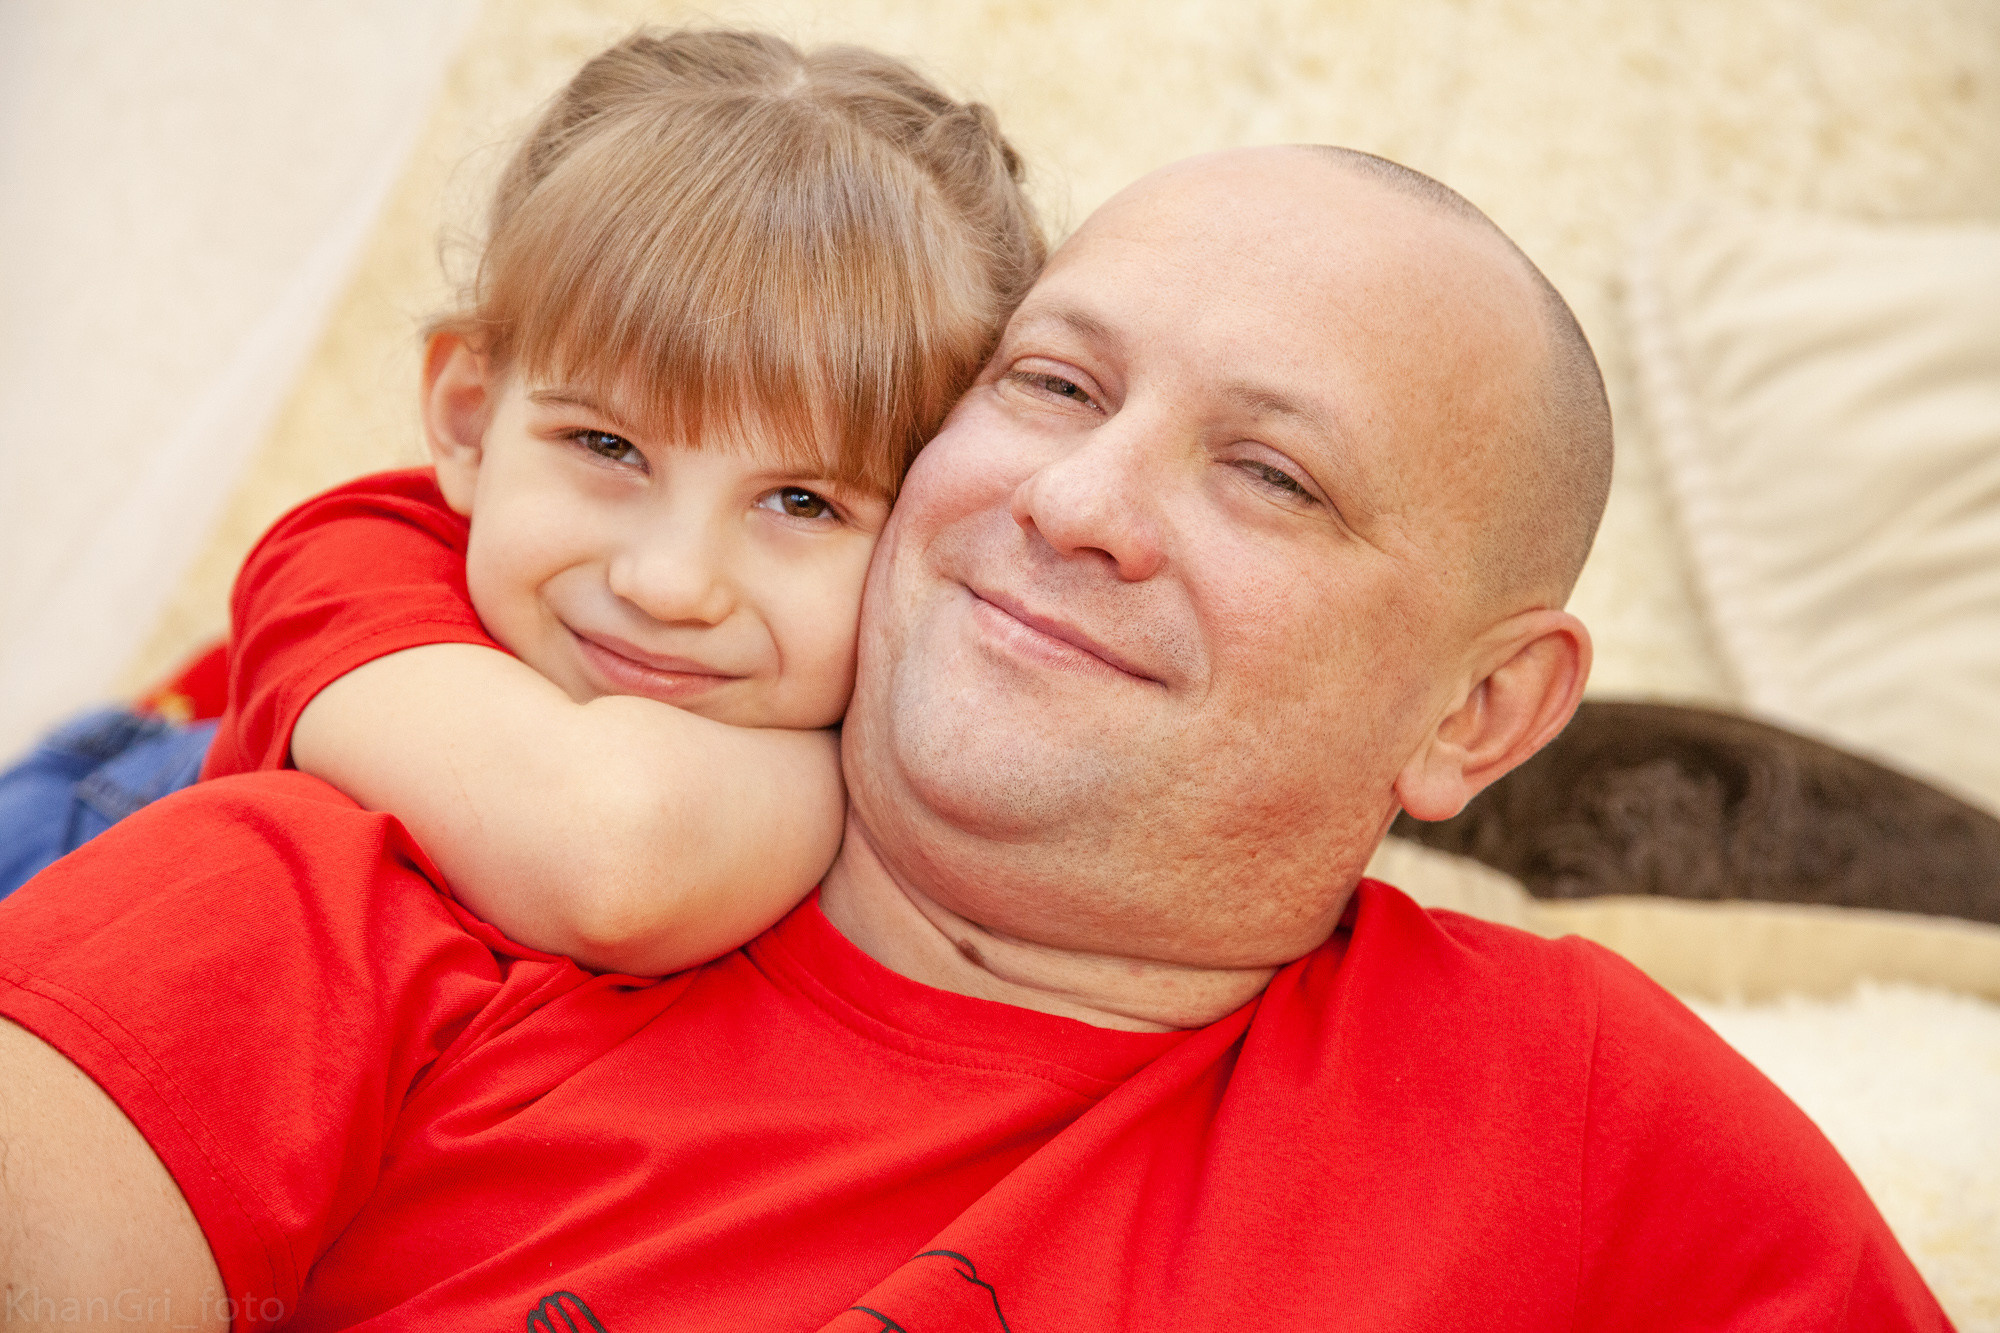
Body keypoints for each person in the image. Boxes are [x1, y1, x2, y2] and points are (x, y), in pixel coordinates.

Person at [0, 147, 1950, 1330]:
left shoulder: (1586, 1122)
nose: (1077, 501)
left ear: (1477, 711)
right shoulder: (350, 889)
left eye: (1266, 475)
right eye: (1049, 381)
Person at [0, 28, 1043, 977]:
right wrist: (869, 789)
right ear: (465, 416)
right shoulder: (351, 562)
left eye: (802, 503)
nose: (668, 581)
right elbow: (605, 863)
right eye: (607, 445)